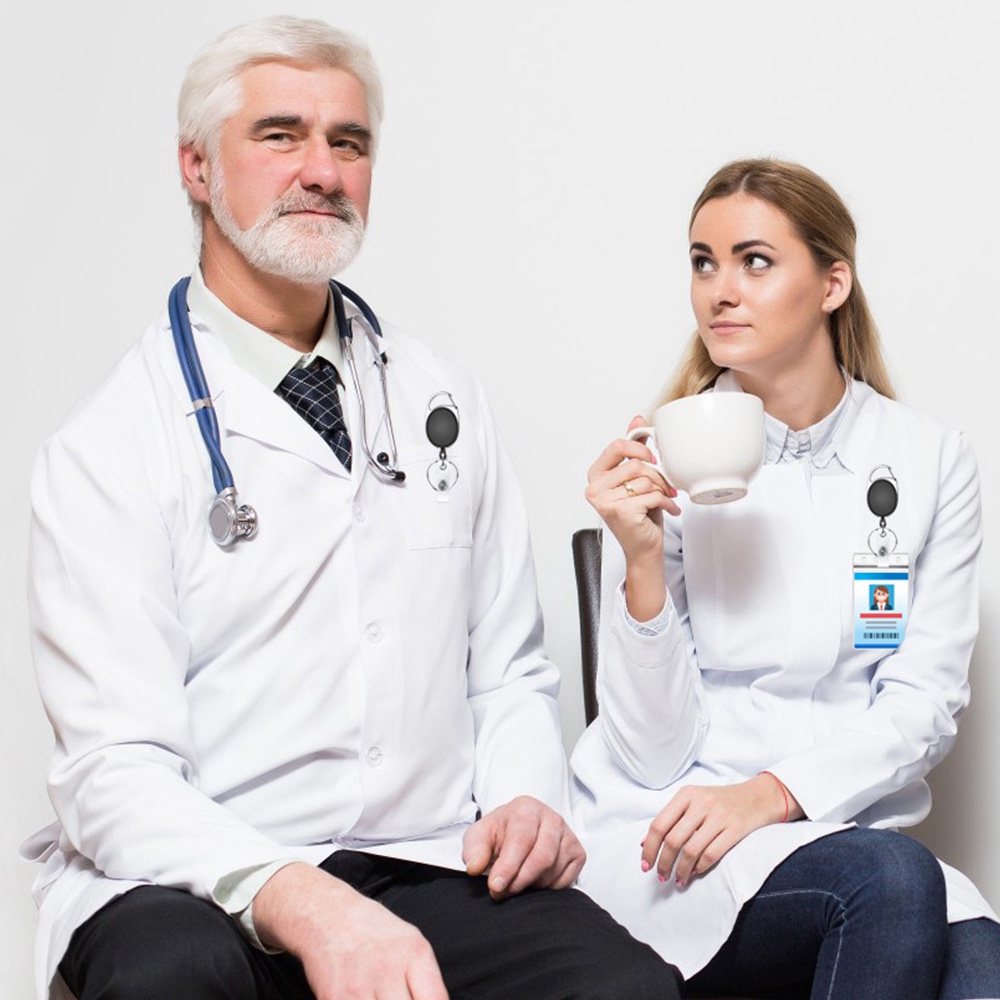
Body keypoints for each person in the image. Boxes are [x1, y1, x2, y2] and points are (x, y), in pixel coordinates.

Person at [20, 16, 681, 1000]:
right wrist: (300, 898)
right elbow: (114, 770)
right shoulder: (109, 442)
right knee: (172, 978)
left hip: (419, 854)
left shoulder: (440, 399)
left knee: (622, 988)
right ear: (197, 167)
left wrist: (524, 798)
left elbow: (507, 671)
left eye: (350, 142)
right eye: (280, 135)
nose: (323, 171)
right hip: (195, 871)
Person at [570, 158, 1000, 1000]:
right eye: (703, 263)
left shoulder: (930, 461)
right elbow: (652, 755)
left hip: (844, 829)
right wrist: (642, 558)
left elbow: (923, 704)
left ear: (833, 283)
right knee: (892, 882)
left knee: (980, 969)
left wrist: (774, 794)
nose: (720, 291)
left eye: (754, 261)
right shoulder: (659, 465)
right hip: (680, 839)